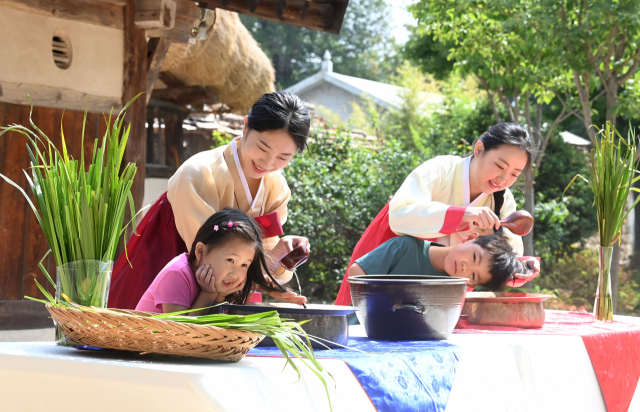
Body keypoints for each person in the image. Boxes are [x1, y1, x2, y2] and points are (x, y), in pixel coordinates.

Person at [110, 91, 311, 309]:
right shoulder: (198, 174)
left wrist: (281, 253)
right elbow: (209, 264)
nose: (268, 163)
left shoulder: (277, 187)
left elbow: (254, 265)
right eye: (262, 147)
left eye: (284, 157)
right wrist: (268, 280)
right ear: (245, 127)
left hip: (227, 286)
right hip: (169, 272)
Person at [335, 123, 540, 305]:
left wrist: (522, 266)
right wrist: (462, 215)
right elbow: (398, 214)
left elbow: (505, 257)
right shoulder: (441, 170)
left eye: (514, 174)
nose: (503, 179)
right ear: (479, 149)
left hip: (440, 291)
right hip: (390, 263)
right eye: (499, 166)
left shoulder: (502, 199)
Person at [137, 208, 306, 314]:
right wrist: (209, 295)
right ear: (201, 251)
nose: (236, 273)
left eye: (244, 265)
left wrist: (269, 289)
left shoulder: (219, 279)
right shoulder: (177, 274)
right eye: (230, 260)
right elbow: (182, 333)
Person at [348, 231, 529, 291]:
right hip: (358, 332)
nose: (465, 268)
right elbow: (356, 272)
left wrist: (526, 266)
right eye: (474, 257)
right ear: (471, 238)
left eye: (473, 275)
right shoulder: (405, 247)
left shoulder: (452, 287)